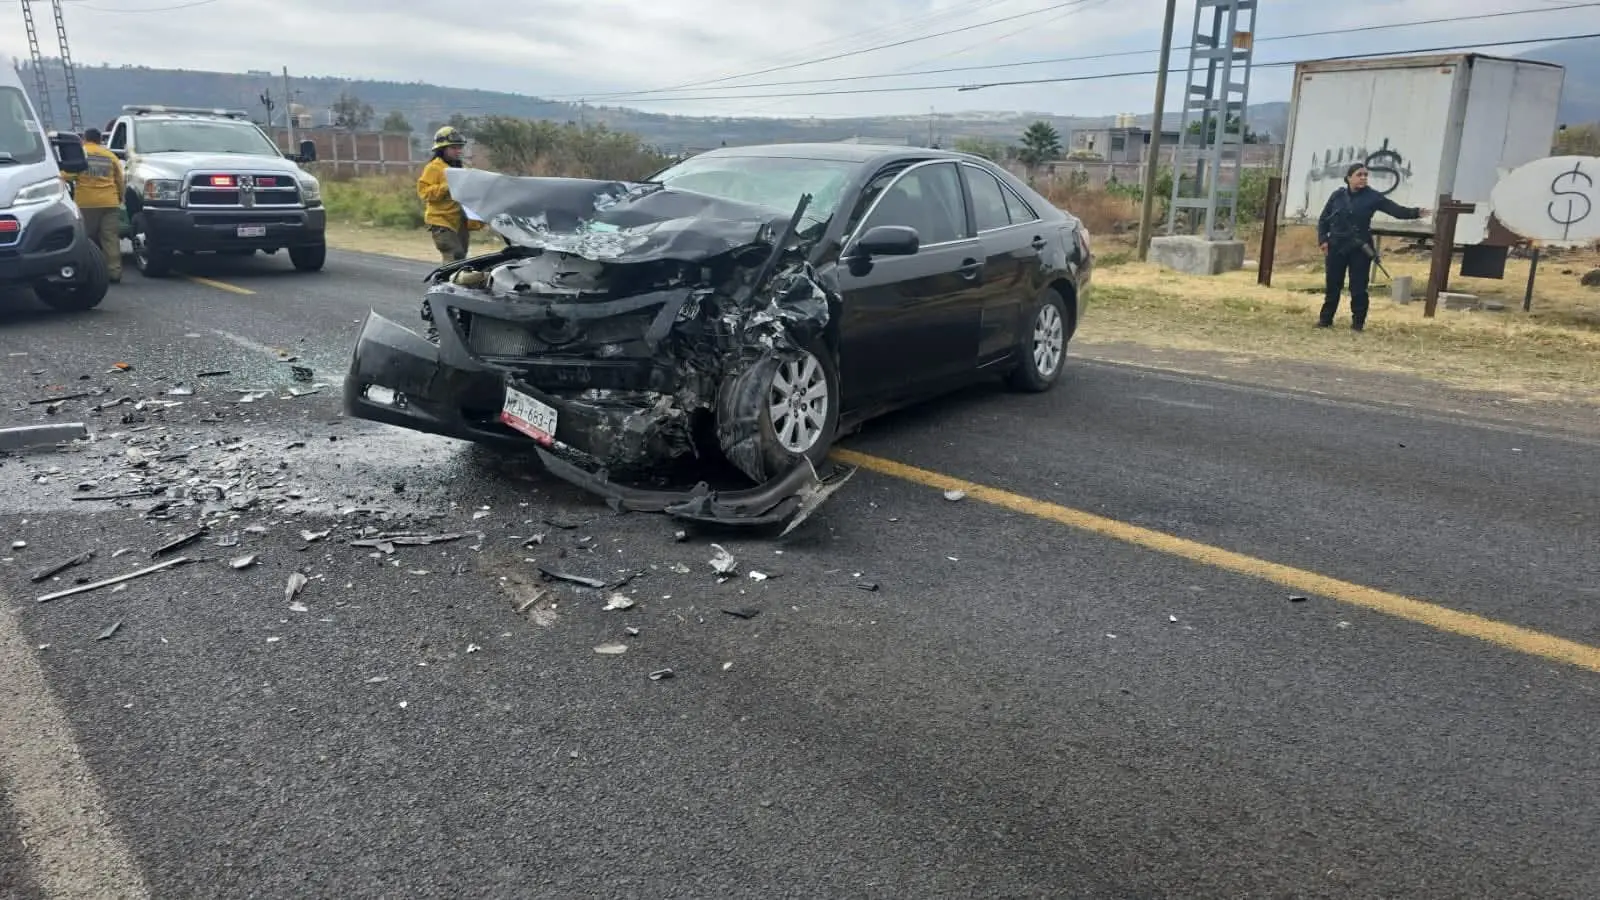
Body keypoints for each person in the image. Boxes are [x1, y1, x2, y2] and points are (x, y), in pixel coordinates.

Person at [1316, 163, 1429, 331]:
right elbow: (1323, 219)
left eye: (1365, 175)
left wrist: (1416, 212)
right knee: (1333, 285)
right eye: (1359, 175)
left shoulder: (1373, 197)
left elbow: (1396, 210)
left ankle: (1357, 324)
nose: (1363, 178)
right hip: (1337, 246)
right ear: (1349, 178)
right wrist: (1323, 239)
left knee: (1359, 287)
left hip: (1359, 248)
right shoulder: (1337, 196)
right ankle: (1325, 320)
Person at [62, 127, 125, 283]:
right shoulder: (110, 155)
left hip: (86, 203)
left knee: (86, 239)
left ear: (84, 138)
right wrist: (119, 198)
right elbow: (120, 180)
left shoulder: (81, 153)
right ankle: (114, 272)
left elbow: (68, 175)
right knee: (110, 238)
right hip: (110, 202)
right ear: (100, 140)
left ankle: (88, 271)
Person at [416, 126, 483, 263]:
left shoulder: (460, 168)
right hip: (441, 222)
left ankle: (457, 283)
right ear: (442, 149)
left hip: (459, 222)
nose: (458, 151)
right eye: (453, 147)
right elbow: (424, 193)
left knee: (461, 259)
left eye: (459, 147)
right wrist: (448, 186)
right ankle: (445, 283)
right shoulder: (434, 167)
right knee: (454, 256)